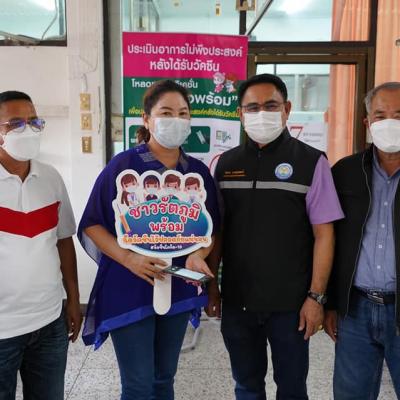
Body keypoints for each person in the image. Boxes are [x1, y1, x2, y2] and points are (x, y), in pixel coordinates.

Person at [78, 80, 220, 400]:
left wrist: (199, 254)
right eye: (166, 113)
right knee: (138, 385)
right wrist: (129, 259)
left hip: (178, 284)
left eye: (183, 113)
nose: (176, 120)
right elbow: (92, 224)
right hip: (129, 284)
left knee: (164, 379)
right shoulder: (123, 166)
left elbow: (210, 230)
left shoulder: (197, 172)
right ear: (146, 118)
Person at [205, 73, 344, 400]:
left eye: (271, 106)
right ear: (240, 113)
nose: (261, 114)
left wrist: (316, 298)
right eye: (252, 108)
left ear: (287, 109)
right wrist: (212, 286)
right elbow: (218, 232)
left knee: (292, 389)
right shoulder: (225, 164)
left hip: (292, 306)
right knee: (246, 386)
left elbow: (325, 235)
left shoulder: (311, 162)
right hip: (238, 301)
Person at [0, 90, 81, 400]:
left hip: (49, 322)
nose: (29, 130)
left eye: (34, 122)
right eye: (16, 123)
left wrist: (73, 299)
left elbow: (63, 240)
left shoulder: (50, 178)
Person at [325, 81, 400, 399]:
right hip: (355, 310)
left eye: (399, 115)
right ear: (368, 122)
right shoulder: (345, 172)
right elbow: (332, 240)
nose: (389, 123)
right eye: (380, 115)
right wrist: (330, 302)